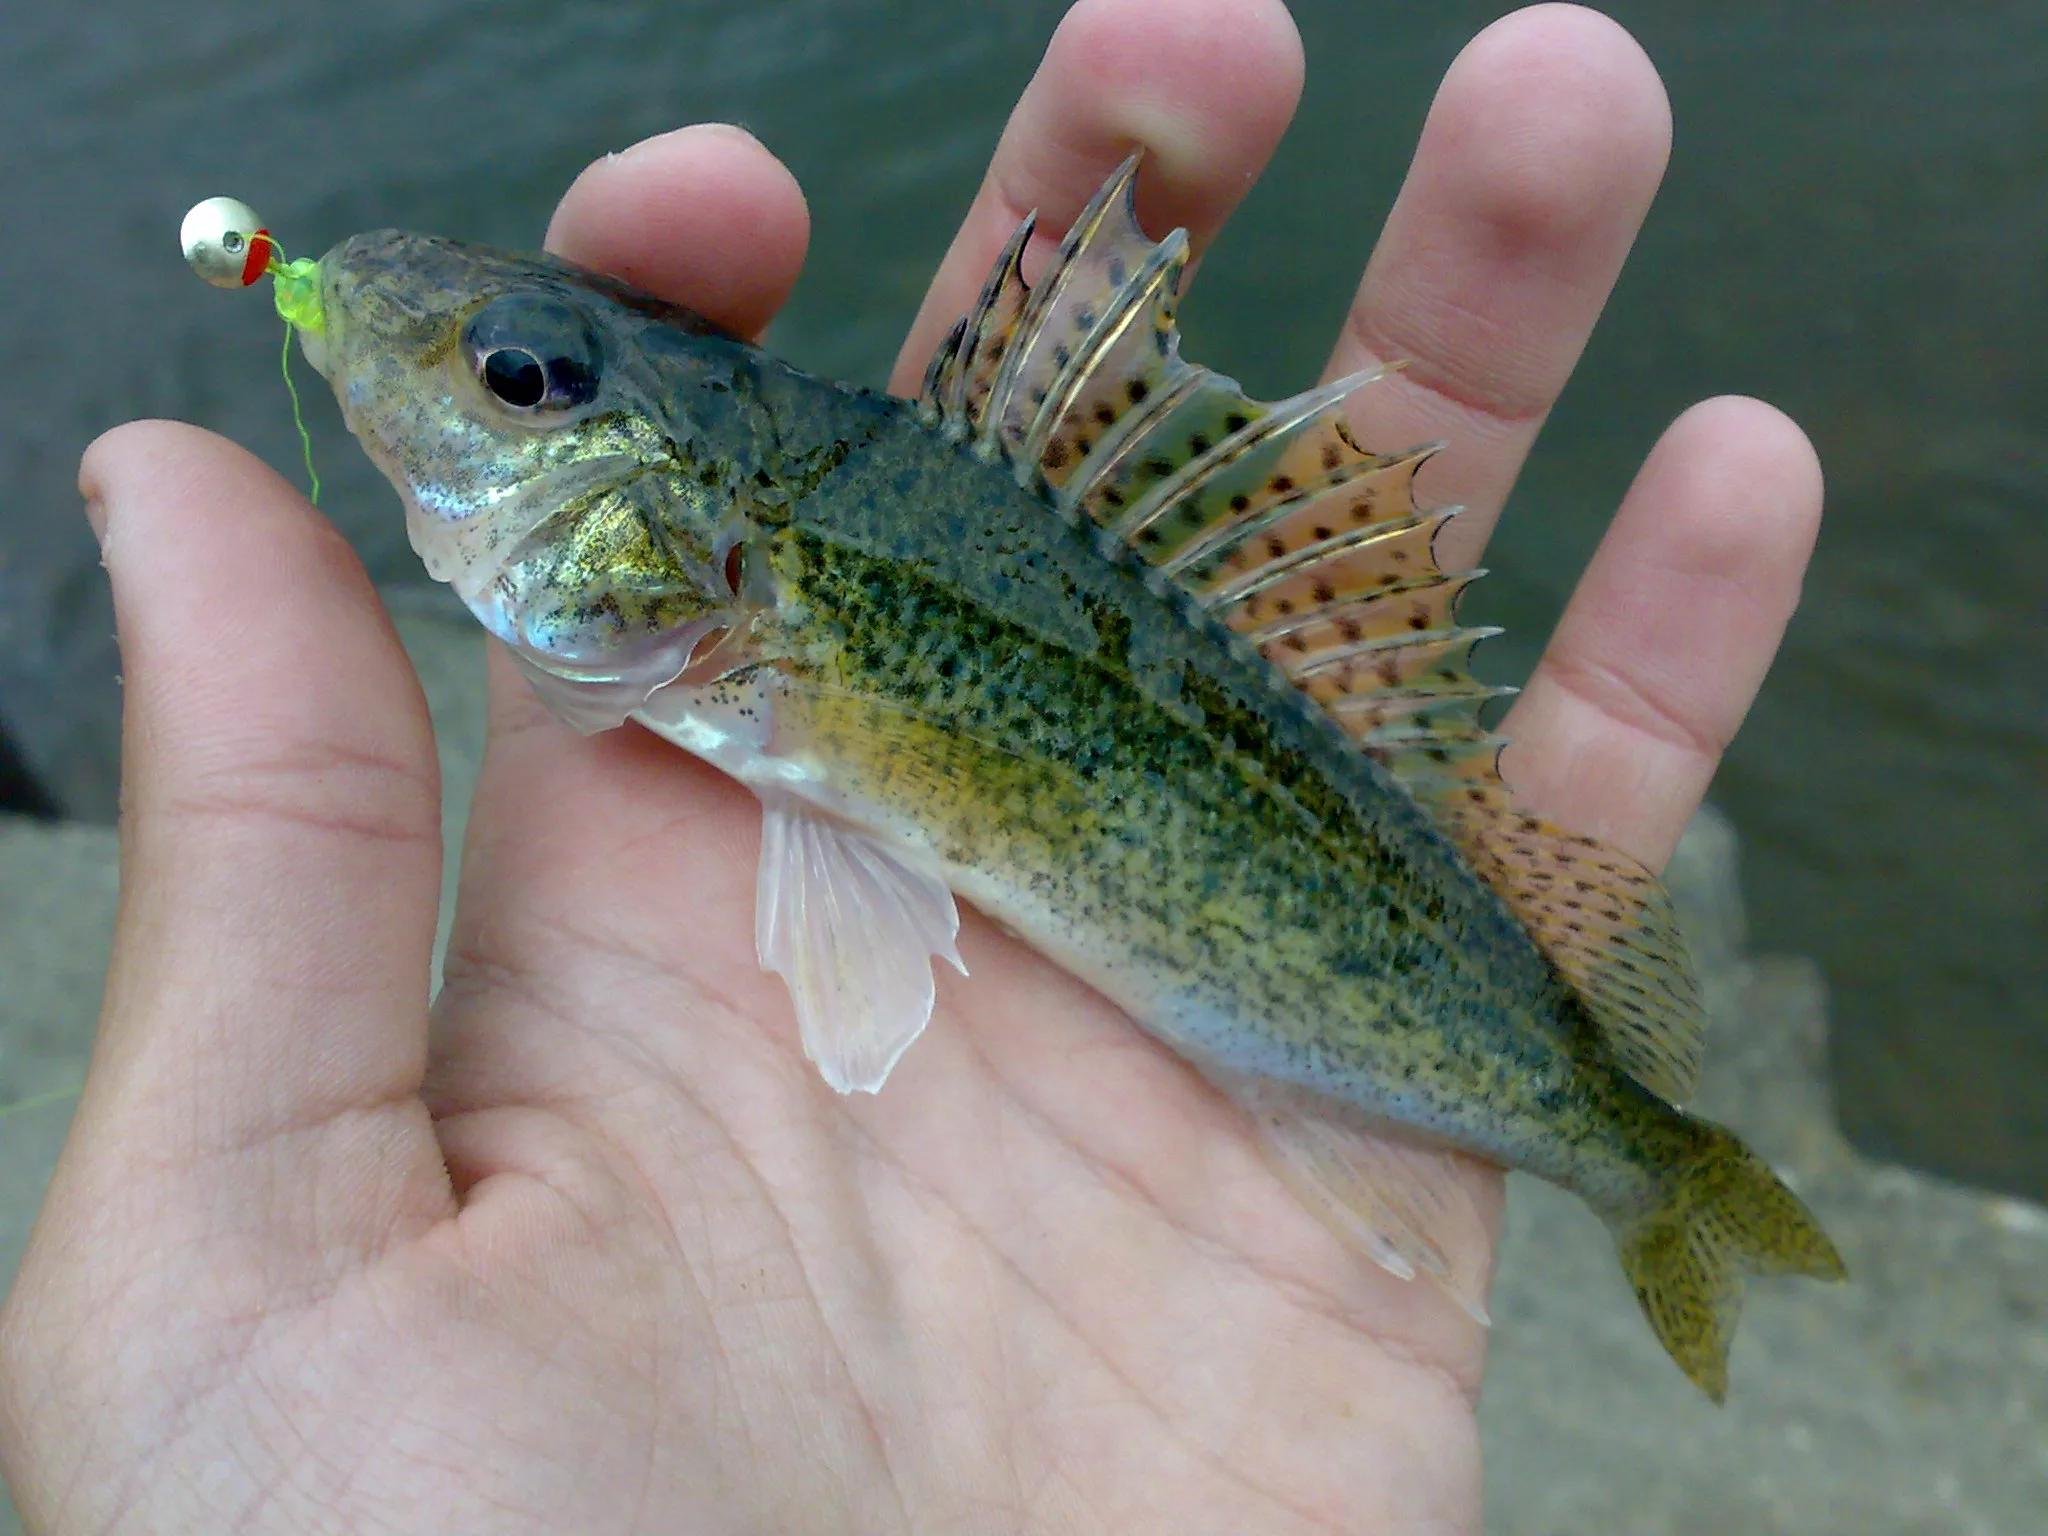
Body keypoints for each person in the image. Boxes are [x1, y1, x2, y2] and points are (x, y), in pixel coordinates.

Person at [0, 3, 1822, 1530]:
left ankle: (1650, 1160)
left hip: (1417, 971)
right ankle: (1655, 1158)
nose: (434, 370)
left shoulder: (783, 606)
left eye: (521, 380)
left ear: (717, 553)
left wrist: (1619, 1135)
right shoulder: (762, 609)